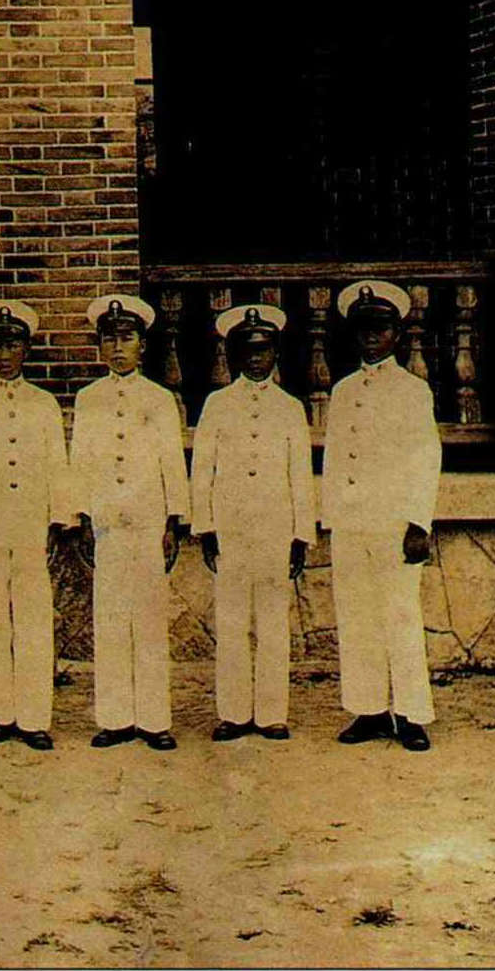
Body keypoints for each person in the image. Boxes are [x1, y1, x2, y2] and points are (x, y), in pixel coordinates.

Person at [324, 280, 442, 752]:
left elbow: (426, 458)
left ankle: (411, 714)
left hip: (394, 523)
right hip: (351, 523)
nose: (371, 336)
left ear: (397, 332)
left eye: (380, 327)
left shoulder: (412, 390)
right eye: (363, 328)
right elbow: (336, 458)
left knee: (400, 616)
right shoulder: (342, 390)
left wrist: (419, 522)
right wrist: (332, 518)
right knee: (357, 617)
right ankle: (369, 709)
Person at [71, 295, 190, 751]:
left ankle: (154, 720)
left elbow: (171, 463)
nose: (118, 347)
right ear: (99, 346)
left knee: (149, 619)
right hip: (108, 524)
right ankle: (116, 718)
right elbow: (81, 462)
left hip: (147, 521)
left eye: (126, 338)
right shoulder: (89, 399)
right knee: (111, 619)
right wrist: (83, 518)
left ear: (143, 344)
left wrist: (173, 522)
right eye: (109, 339)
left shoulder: (159, 399)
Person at [191, 303, 314, 743]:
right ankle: (234, 712)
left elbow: (300, 475)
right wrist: (206, 529)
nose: (256, 358)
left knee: (273, 621)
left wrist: (301, 535)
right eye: (246, 350)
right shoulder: (217, 405)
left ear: (276, 352)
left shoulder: (290, 408)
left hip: (275, 530)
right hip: (231, 530)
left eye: (263, 349)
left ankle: (272, 713)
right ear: (232, 356)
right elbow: (202, 470)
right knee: (231, 622)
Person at [0, 302, 72, 751]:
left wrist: (58, 521)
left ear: (26, 349)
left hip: (31, 522)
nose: (5, 355)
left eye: (13, 345)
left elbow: (57, 466)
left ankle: (33, 717)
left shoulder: (43, 405)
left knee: (32, 616)